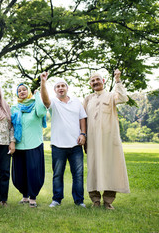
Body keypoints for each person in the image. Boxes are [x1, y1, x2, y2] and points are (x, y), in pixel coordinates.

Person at [83, 69, 130, 210]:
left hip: (109, 140)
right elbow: (82, 119)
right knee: (93, 169)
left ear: (103, 81)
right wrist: (83, 137)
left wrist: (117, 79)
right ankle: (95, 200)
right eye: (92, 80)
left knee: (111, 168)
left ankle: (108, 201)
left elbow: (122, 98)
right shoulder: (88, 99)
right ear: (90, 84)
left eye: (98, 79)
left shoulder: (111, 96)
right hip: (92, 141)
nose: (95, 82)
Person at [40, 72, 87, 208]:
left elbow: (82, 118)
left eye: (63, 86)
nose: (61, 88)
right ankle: (57, 199)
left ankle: (79, 201)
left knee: (78, 175)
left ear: (67, 88)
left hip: (75, 145)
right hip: (58, 145)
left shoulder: (76, 102)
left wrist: (83, 134)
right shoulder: (53, 102)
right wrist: (43, 82)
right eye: (58, 87)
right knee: (57, 174)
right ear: (55, 90)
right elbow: (45, 100)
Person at [11, 83, 47, 208]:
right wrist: (11, 143)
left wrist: (37, 95)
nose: (22, 92)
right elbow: (11, 126)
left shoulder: (35, 105)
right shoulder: (14, 108)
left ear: (29, 91)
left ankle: (33, 197)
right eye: (19, 90)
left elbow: (42, 112)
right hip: (19, 146)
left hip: (34, 144)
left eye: (24, 89)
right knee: (19, 174)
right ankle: (24, 196)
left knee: (34, 172)